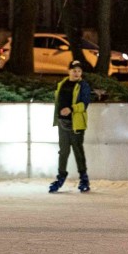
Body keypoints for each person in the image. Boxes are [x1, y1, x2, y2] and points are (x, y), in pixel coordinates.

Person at [49, 60, 91, 193]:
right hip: (62, 123)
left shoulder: (83, 85)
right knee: (63, 151)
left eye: (79, 71)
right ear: (69, 71)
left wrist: (71, 109)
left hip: (76, 124)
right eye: (74, 70)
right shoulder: (62, 83)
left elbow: (85, 104)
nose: (76, 73)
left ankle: (84, 178)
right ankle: (61, 176)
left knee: (78, 151)